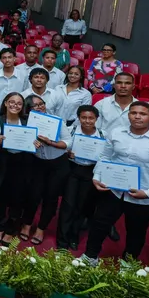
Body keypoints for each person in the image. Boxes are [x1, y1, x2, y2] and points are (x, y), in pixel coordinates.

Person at [83, 101, 149, 265]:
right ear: (128, 115)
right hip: (113, 192)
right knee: (99, 225)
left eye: (142, 114)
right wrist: (97, 176)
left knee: (136, 234)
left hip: (143, 198)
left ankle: (127, 265)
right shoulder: (116, 133)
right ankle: (90, 257)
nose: (137, 116)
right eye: (133, 113)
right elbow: (105, 157)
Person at [21, 94, 71, 245]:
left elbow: (68, 142)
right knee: (33, 195)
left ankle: (41, 228)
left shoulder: (56, 120)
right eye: (35, 106)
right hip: (37, 163)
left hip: (58, 164)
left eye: (41, 104)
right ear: (28, 109)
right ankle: (27, 224)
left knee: (51, 197)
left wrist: (52, 143)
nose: (40, 107)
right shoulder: (25, 123)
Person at [57, 105, 104, 250]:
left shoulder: (103, 135)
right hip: (72, 169)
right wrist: (67, 152)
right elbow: (62, 147)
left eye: (91, 118)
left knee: (81, 206)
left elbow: (106, 156)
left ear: (96, 119)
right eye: (84, 117)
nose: (87, 121)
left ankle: (74, 236)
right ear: (79, 118)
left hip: (90, 171)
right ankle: (62, 241)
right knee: (68, 205)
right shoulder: (71, 130)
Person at [0, 92, 33, 245]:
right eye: (12, 102)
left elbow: (34, 139)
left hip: (23, 162)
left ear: (22, 107)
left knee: (18, 197)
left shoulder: (28, 121)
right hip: (3, 161)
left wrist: (34, 142)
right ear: (6, 103)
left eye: (19, 103)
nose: (15, 105)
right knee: (1, 195)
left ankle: (11, 229)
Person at [95, 72, 137, 136]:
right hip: (105, 144)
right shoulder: (101, 104)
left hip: (130, 144)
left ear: (133, 86)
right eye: (119, 83)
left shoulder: (141, 108)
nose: (123, 86)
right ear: (113, 85)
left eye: (127, 83)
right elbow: (94, 129)